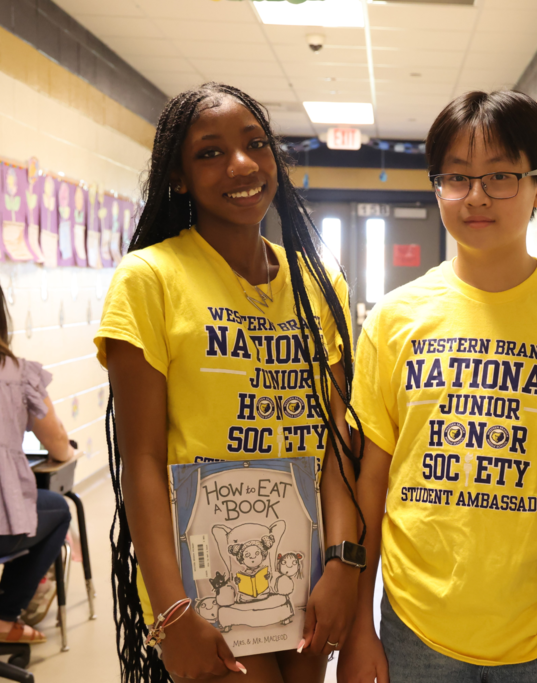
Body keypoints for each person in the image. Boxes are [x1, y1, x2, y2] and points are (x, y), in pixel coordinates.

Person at [336, 90, 537, 683]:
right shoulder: (395, 320)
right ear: (436, 185)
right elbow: (371, 482)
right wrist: (357, 628)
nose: (476, 196)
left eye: (500, 176)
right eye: (457, 177)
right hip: (416, 627)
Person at [96, 83, 366, 683]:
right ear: (178, 178)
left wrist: (343, 565)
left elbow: (336, 444)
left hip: (304, 570)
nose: (242, 165)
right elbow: (139, 458)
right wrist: (172, 611)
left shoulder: (318, 286)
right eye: (210, 153)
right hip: (201, 585)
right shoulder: (150, 279)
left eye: (255, 144)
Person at [0, 269, 74, 644]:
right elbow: (58, 444)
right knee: (58, 509)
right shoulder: (17, 375)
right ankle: (3, 619)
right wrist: (68, 449)